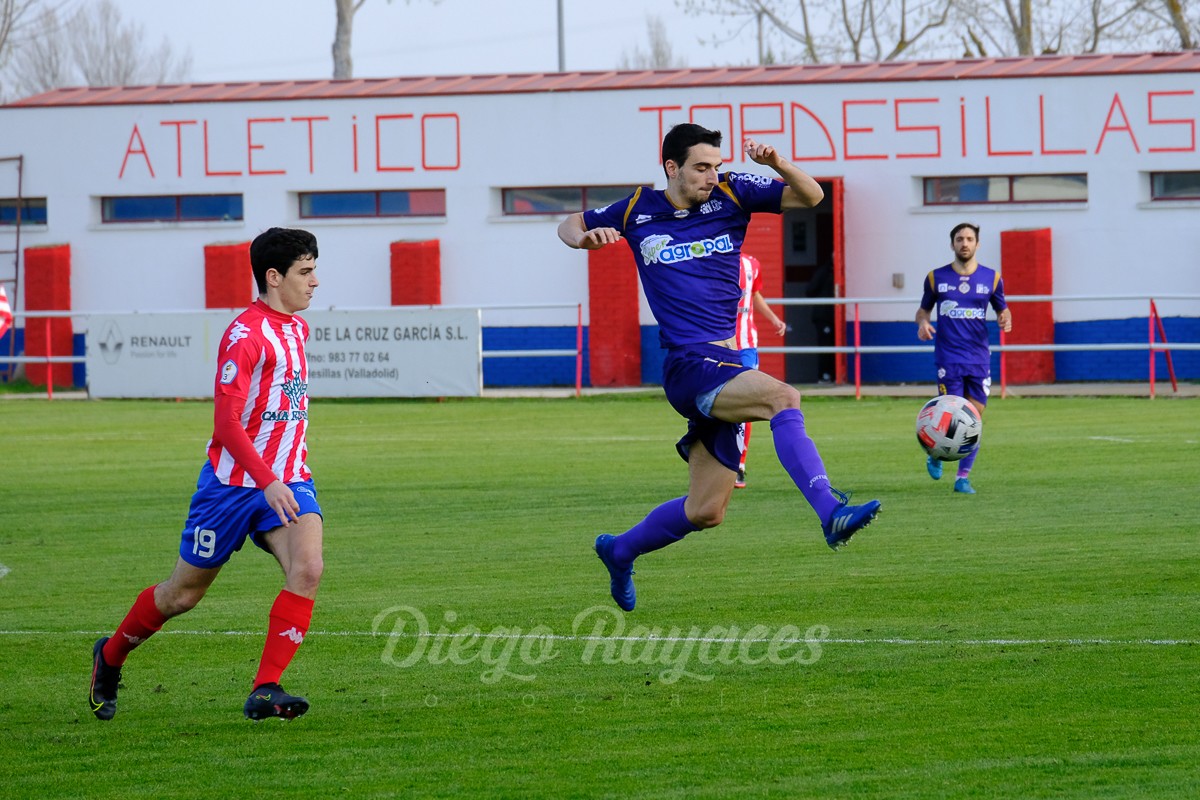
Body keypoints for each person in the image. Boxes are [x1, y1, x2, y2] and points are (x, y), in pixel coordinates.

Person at [558, 123, 881, 612]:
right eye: (701, 167)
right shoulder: (635, 209)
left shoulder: (732, 192)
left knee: (706, 511)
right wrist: (585, 239)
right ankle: (830, 511)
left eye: (716, 165)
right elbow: (568, 223)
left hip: (726, 360)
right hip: (689, 364)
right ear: (672, 167)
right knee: (784, 397)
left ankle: (619, 550)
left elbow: (811, 195)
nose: (712, 175)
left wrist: (775, 162)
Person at [89, 227, 324, 721]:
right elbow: (226, 423)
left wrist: (282, 475)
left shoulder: (298, 329)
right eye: (306, 271)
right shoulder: (245, 336)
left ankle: (266, 688)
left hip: (288, 480)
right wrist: (267, 479)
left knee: (308, 568)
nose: (315, 282)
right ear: (274, 276)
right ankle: (109, 656)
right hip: (232, 488)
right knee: (182, 595)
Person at [915, 222, 1012, 494]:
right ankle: (936, 454)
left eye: (970, 239)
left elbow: (1003, 309)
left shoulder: (992, 278)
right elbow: (922, 311)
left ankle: (962, 478)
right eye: (960, 239)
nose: (965, 243)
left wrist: (1005, 318)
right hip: (949, 358)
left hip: (979, 358)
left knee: (974, 420)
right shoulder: (936, 278)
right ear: (952, 244)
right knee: (950, 417)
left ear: (977, 244)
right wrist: (923, 323)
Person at [733, 253, 787, 488]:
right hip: (717, 344)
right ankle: (716, 461)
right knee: (717, 405)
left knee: (745, 403)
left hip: (746, 345)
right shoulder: (711, 259)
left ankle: (740, 465)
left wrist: (774, 319)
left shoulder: (752, 264)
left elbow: (754, 294)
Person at [806, 261, 836, 384]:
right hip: (824, 316)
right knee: (825, 346)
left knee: (832, 347)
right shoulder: (824, 272)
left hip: (832, 315)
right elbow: (810, 291)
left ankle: (831, 375)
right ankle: (824, 375)